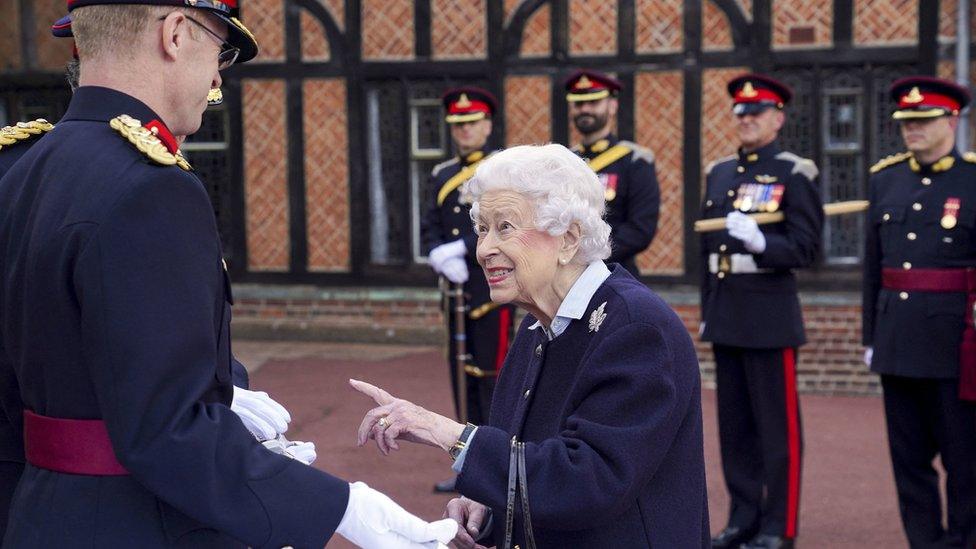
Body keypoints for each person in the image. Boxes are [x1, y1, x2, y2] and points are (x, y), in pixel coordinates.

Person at [0, 2, 458, 547]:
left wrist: (217, 389)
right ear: (174, 34)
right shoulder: (150, 185)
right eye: (218, 50)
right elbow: (167, 432)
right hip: (138, 521)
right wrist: (342, 506)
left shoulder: (19, 167)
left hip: (37, 513)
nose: (218, 75)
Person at [353, 143, 709, 548]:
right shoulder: (536, 327)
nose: (484, 249)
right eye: (482, 228)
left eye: (505, 227)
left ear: (569, 239)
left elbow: (587, 482)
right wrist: (485, 507)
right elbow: (525, 457)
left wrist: (447, 433)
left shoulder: (636, 328)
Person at [701, 74, 823, 549]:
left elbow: (808, 248)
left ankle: (780, 525)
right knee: (735, 432)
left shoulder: (796, 172)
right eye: (741, 112)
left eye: (757, 112)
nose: (747, 119)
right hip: (728, 312)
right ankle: (743, 518)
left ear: (778, 117)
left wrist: (761, 242)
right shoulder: (721, 171)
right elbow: (707, 252)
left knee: (778, 432)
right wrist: (709, 306)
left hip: (770, 317)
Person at [862, 76, 976, 548]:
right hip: (897, 340)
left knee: (964, 459)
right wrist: (870, 336)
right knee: (908, 461)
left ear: (951, 120)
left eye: (923, 121)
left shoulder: (972, 180)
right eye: (907, 122)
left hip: (955, 343)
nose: (913, 130)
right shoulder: (885, 178)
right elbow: (873, 266)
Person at [420, 86, 515, 493]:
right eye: (458, 125)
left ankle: (498, 467)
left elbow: (511, 223)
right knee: (462, 379)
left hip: (492, 293)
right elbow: (430, 226)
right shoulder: (442, 174)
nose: (465, 131)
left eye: (473, 123)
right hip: (456, 292)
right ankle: (466, 465)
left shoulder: (504, 170)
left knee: (492, 380)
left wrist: (466, 246)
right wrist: (438, 254)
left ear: (488, 125)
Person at [564, 69, 660, 278]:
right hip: (565, 276)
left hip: (613, 274)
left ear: (612, 106)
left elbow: (640, 230)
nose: (585, 109)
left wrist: (587, 254)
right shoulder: (564, 162)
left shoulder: (634, 160)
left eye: (594, 102)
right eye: (579, 104)